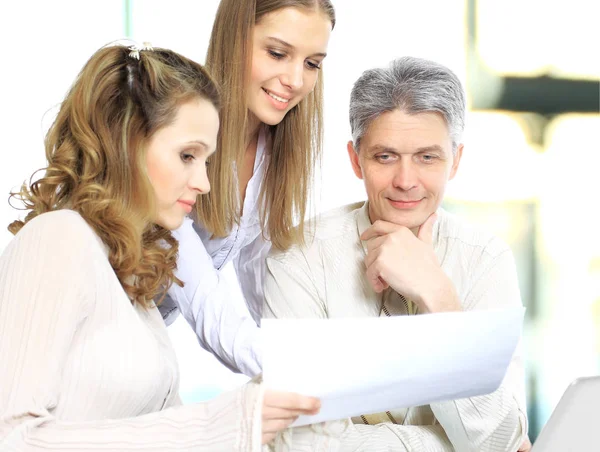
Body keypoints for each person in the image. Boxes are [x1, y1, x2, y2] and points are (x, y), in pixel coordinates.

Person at [0, 42, 320, 451]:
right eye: (188, 155)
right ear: (127, 143)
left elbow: (164, 428)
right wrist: (220, 424)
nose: (204, 183)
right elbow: (11, 437)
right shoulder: (58, 239)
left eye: (206, 160)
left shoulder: (130, 275)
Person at [263, 57, 531, 451]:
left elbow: (500, 439)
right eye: (385, 157)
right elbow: (294, 441)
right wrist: (443, 444)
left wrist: (438, 297)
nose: (406, 181)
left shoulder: (485, 260)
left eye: (427, 157)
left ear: (454, 161)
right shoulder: (299, 257)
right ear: (356, 160)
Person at [159, 0, 335, 378]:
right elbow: (211, 312)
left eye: (312, 63)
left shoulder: (272, 152)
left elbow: (265, 286)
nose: (296, 80)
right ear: (233, 40)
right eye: (277, 53)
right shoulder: (175, 137)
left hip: (138, 353)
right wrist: (327, 376)